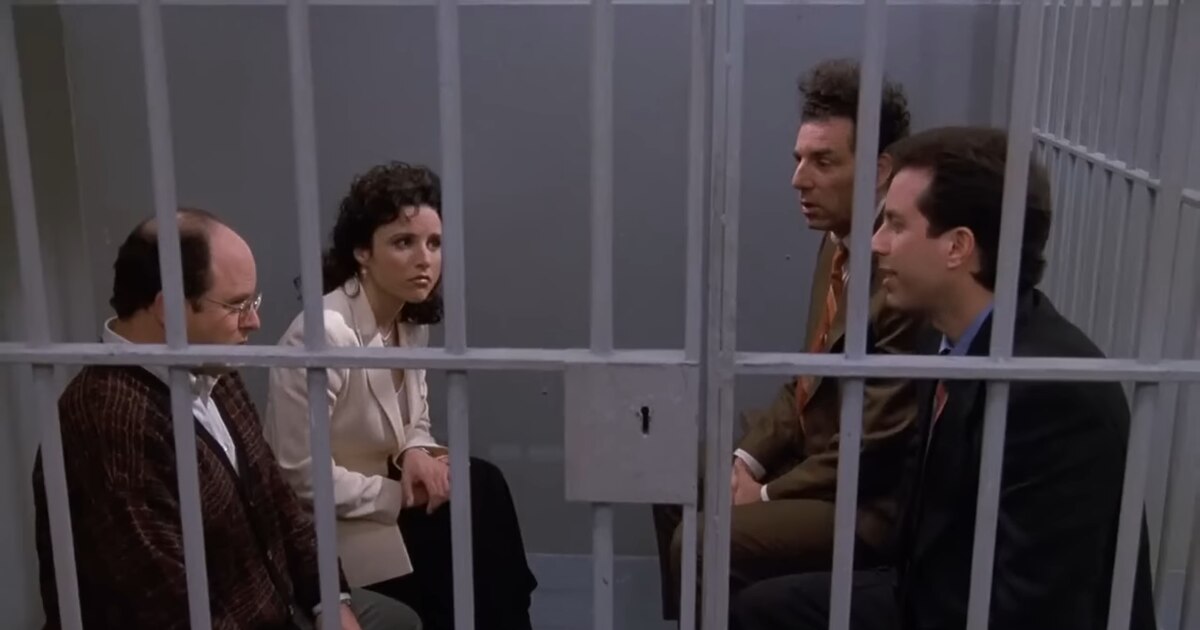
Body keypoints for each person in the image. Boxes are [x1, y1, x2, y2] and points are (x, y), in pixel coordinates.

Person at [729, 126, 1158, 630]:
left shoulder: (1056, 397)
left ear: (957, 247)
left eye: (895, 224)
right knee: (760, 609)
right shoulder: (943, 336)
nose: (875, 242)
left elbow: (1032, 608)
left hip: (989, 614)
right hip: (932, 589)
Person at [31, 209, 420, 630]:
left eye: (253, 302)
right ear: (169, 308)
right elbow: (168, 610)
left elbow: (278, 500)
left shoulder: (209, 365)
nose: (254, 321)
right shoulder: (108, 424)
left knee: (400, 620)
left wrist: (331, 601)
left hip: (275, 599)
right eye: (237, 305)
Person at [652, 58, 924, 619]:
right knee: (669, 471)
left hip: (864, 501)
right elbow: (809, 373)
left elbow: (877, 445)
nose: (799, 179)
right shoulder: (838, 241)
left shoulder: (901, 272)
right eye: (798, 159)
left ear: (879, 170)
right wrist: (746, 460)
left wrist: (767, 494)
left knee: (703, 544)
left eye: (823, 161)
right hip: (815, 459)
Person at [264, 162, 537, 630]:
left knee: (482, 488)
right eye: (403, 242)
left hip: (388, 505)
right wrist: (399, 495)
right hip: (337, 527)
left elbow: (416, 422)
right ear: (362, 252)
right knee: (468, 538)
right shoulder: (323, 334)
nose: (425, 259)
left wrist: (415, 451)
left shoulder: (408, 323)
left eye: (434, 243)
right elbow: (298, 475)